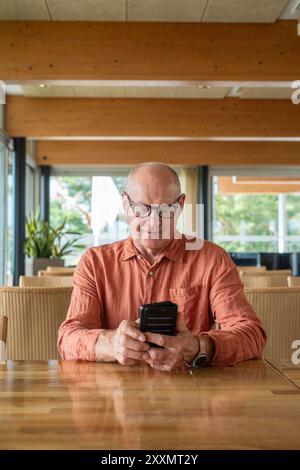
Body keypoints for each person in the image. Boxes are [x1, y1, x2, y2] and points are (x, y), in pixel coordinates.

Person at [58, 162, 266, 371]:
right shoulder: (95, 263)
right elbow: (68, 338)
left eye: (165, 210)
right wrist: (113, 344)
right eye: (140, 209)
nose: (153, 222)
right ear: (125, 203)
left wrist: (197, 346)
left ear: (181, 204)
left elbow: (252, 335)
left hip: (190, 391)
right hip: (114, 395)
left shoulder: (213, 259)